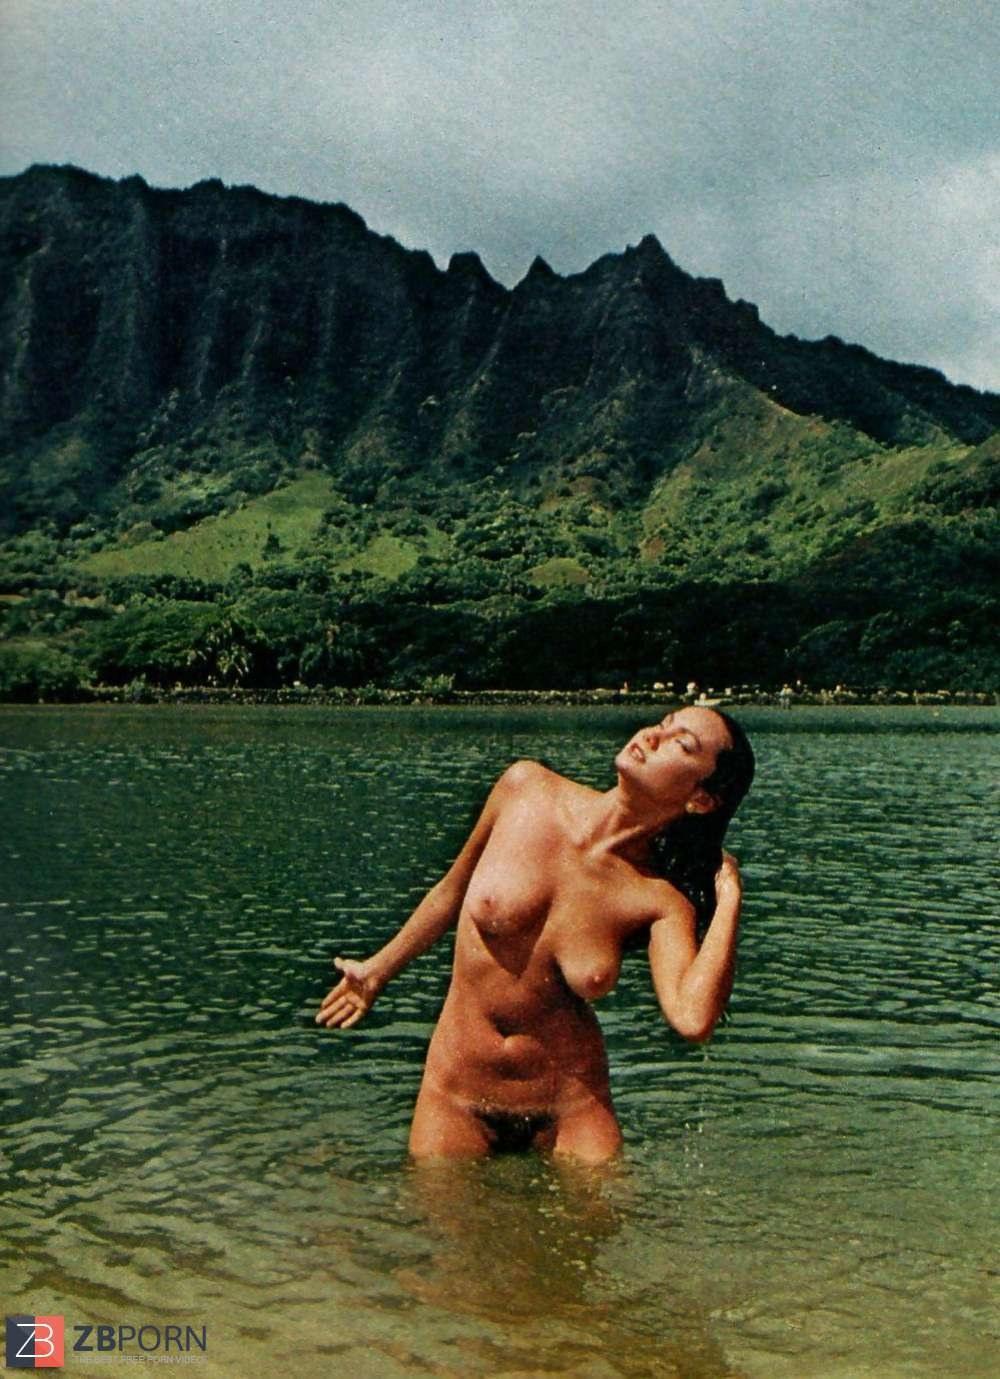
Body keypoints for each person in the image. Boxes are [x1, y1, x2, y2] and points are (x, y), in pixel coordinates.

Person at [315, 707, 755, 1163]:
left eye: (681, 743)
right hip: (455, 1093)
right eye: (663, 723)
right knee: (431, 1209)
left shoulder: (658, 899)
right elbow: (451, 891)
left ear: (701, 800)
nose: (652, 736)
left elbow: (692, 1019)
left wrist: (729, 897)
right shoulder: (526, 790)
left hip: (572, 1107)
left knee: (612, 1210)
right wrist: (378, 971)